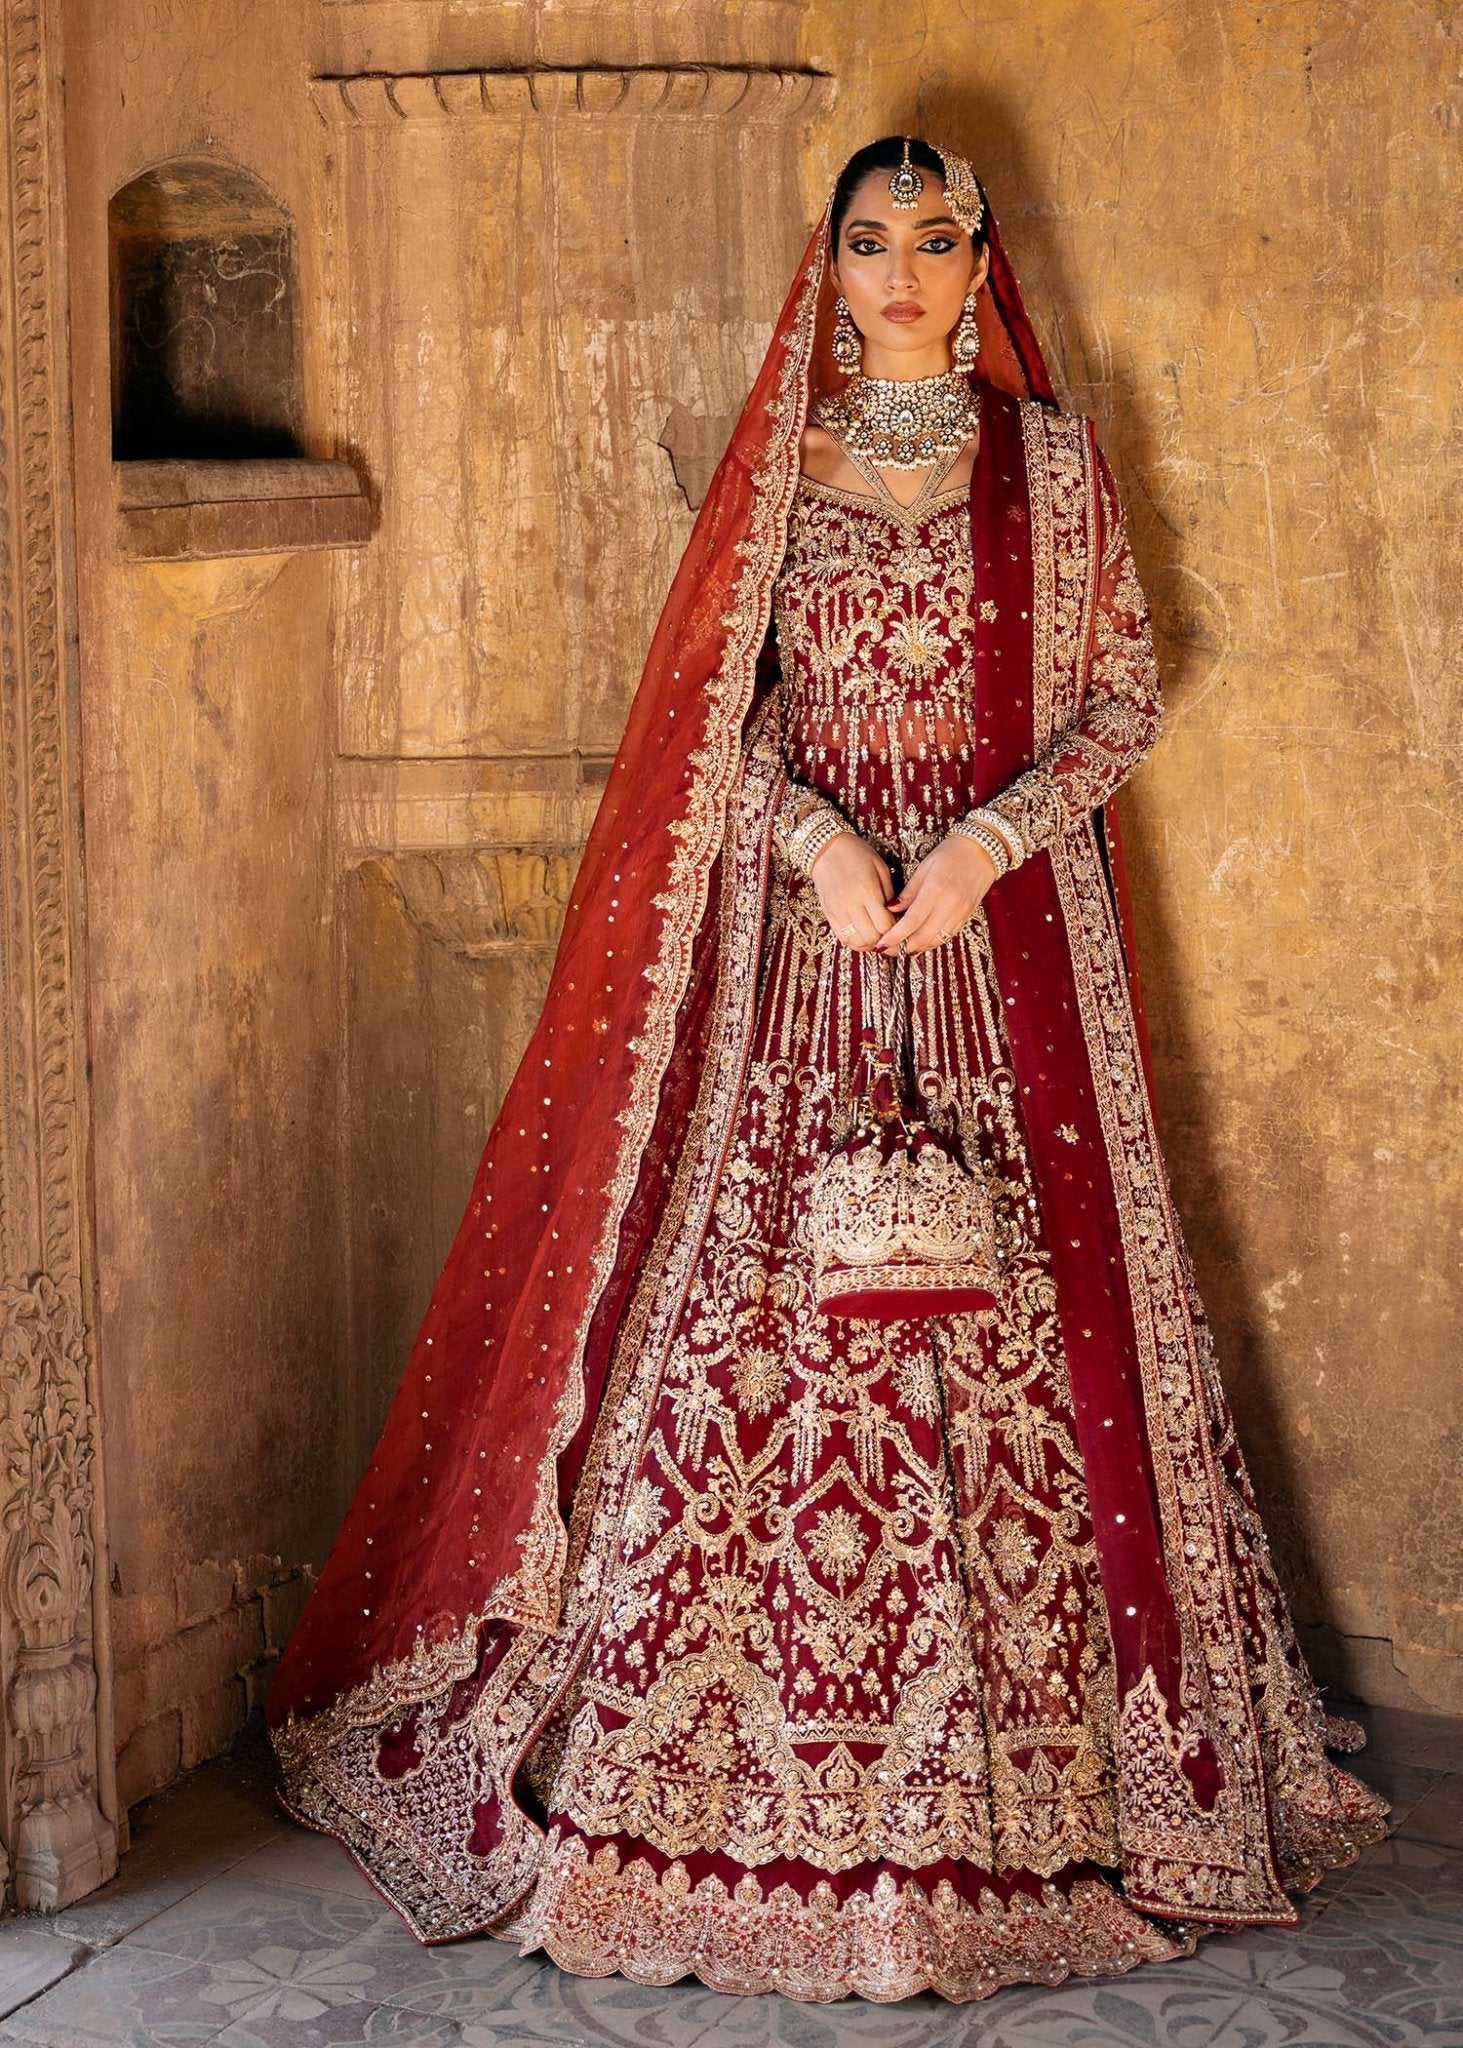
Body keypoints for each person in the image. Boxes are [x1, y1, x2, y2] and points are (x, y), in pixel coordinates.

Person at [265, 135, 1389, 2004]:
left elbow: (1126, 692)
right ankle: (731, 1780)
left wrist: (981, 847)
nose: (899, 271)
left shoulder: (1048, 469)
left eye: (932, 241)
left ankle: (1050, 1790)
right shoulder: (774, 474)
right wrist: (822, 851)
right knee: (761, 1345)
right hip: (807, 969)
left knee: (1017, 1338)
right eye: (867, 241)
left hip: (1004, 953)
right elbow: (711, 732)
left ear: (977, 258)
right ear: (834, 260)